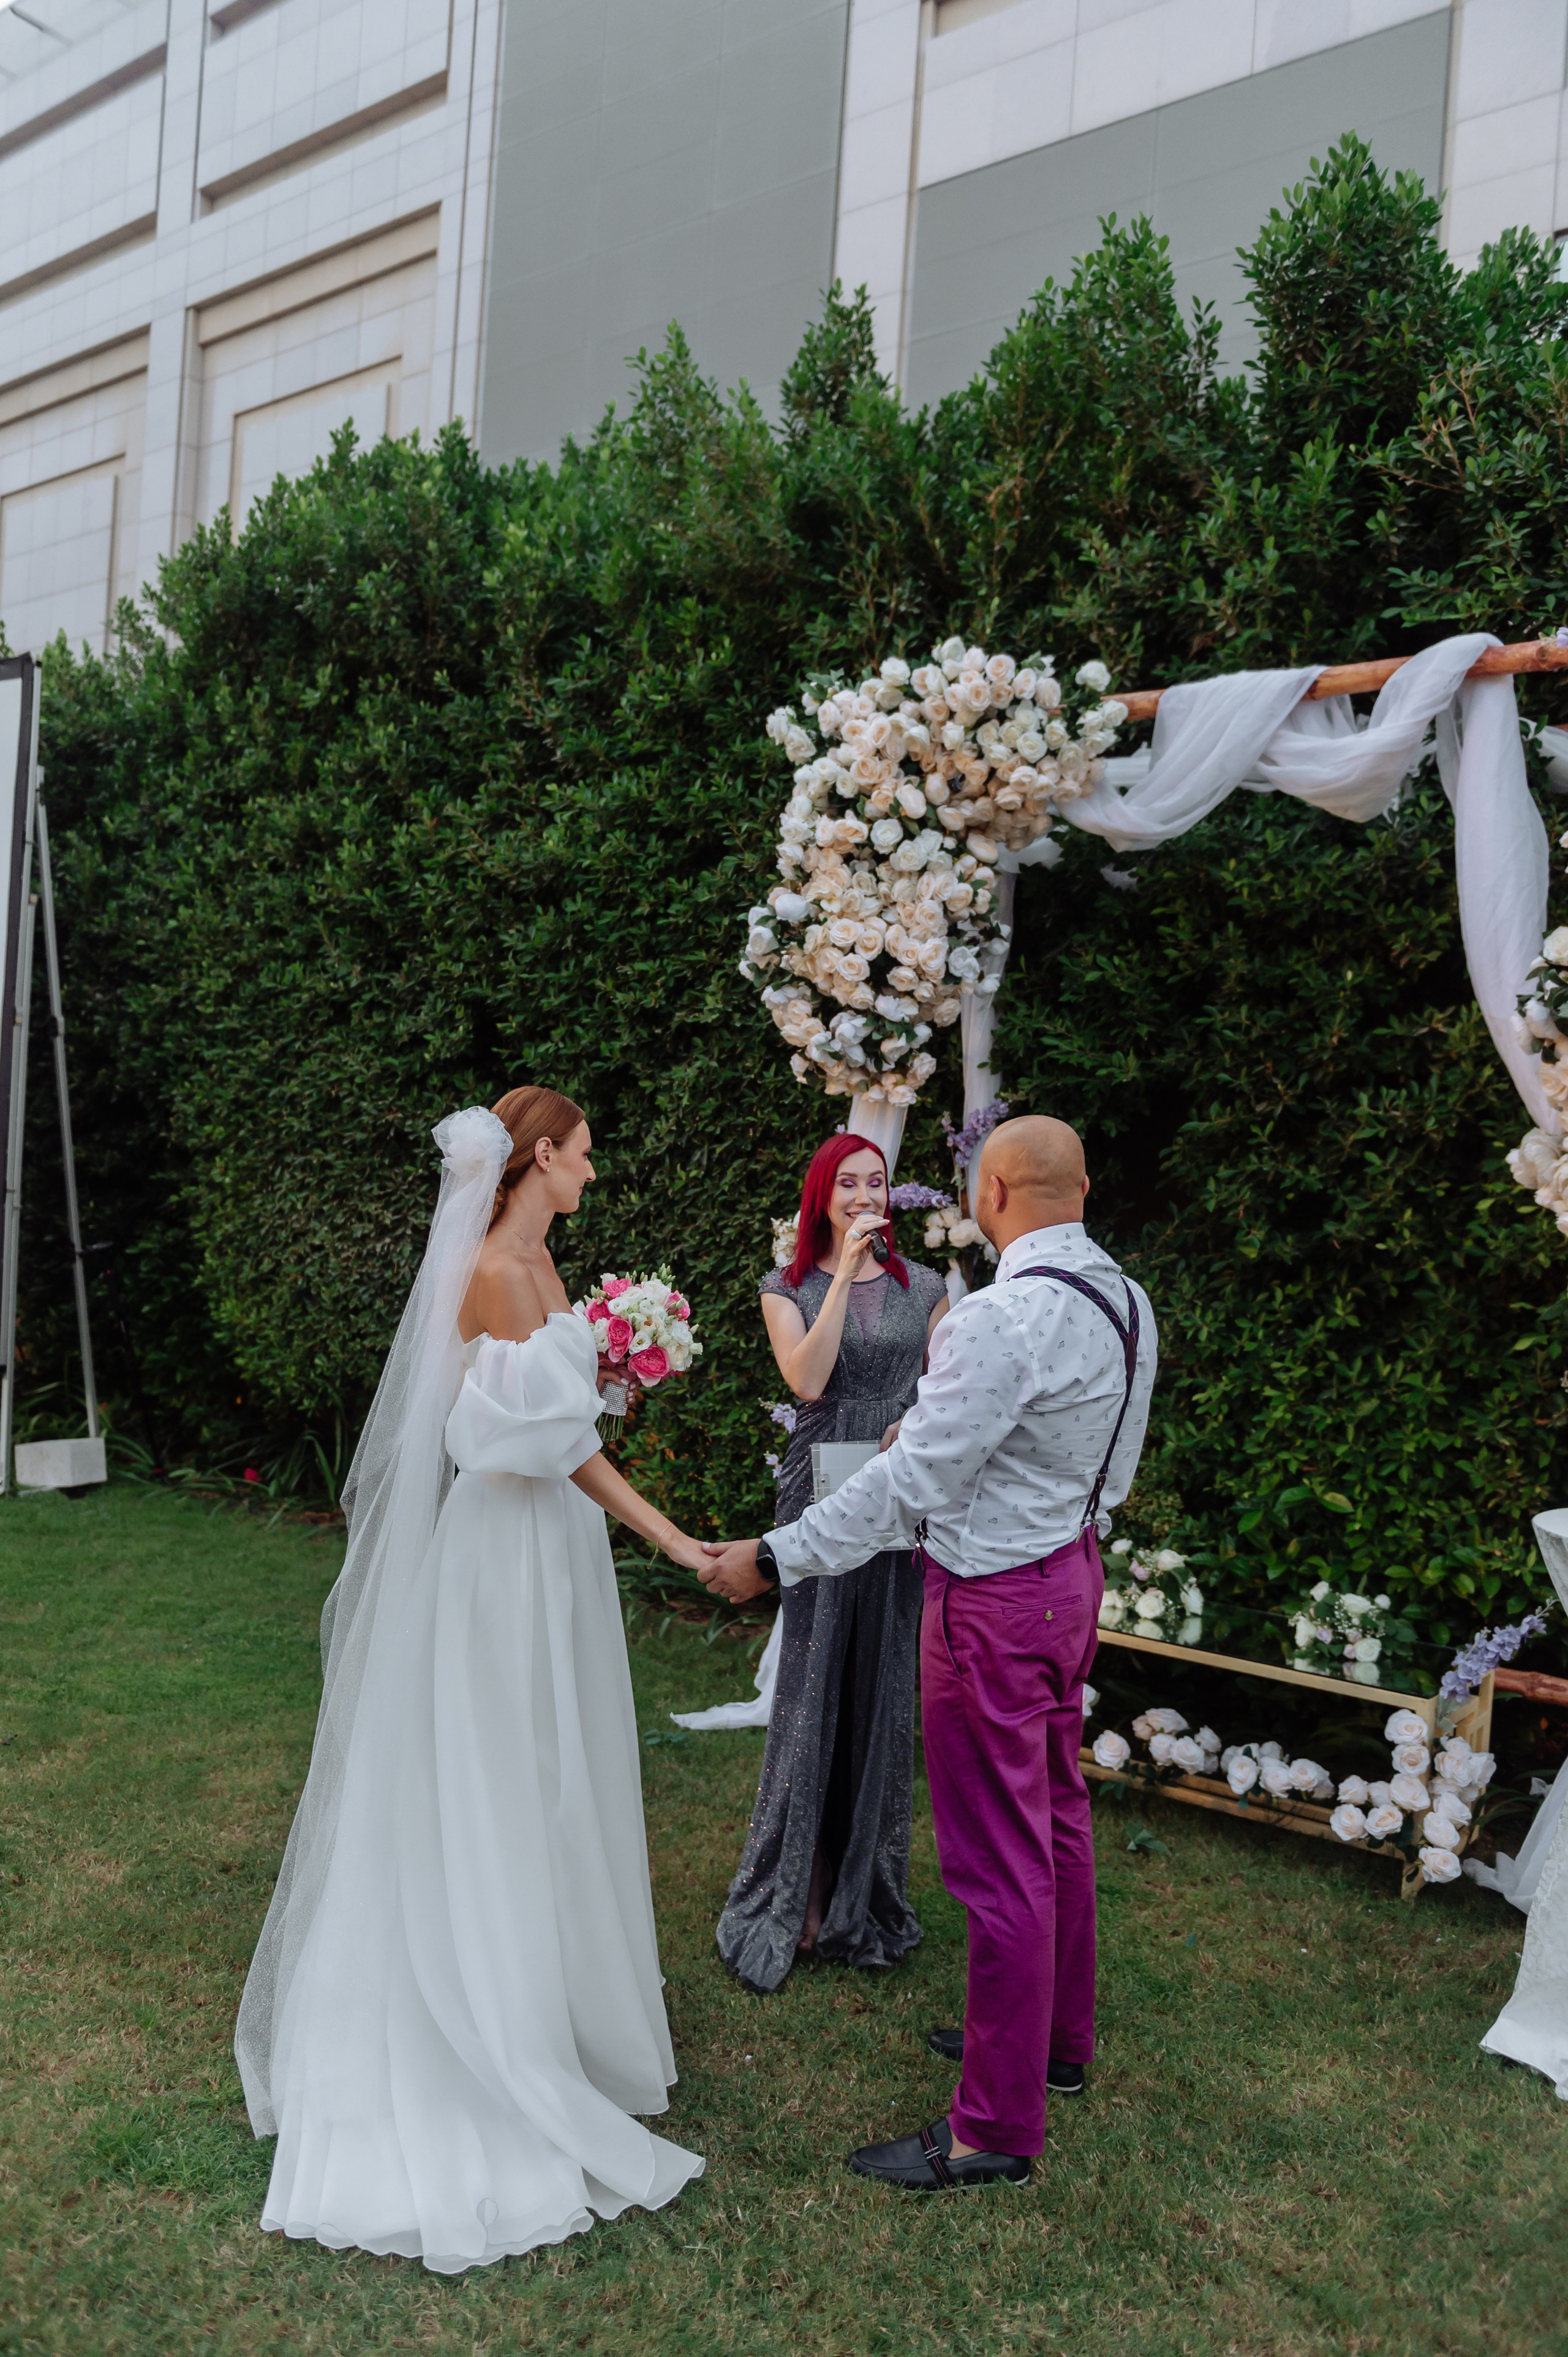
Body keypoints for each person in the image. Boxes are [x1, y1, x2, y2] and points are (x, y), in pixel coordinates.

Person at [235, 1088, 708, 2271]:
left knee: (556, 1772)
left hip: (550, 1549)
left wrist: (623, 1370)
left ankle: (553, 1998)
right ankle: (491, 2018)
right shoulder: (500, 1272)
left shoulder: (546, 1269)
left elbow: (564, 1412)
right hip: (508, 1557)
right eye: (585, 1156)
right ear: (539, 1156)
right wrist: (682, 1544)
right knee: (505, 1781)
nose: (594, 1174)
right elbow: (560, 1447)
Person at [700, 1114, 1156, 2190]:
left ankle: (991, 2127)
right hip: (1071, 1577)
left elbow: (910, 1488)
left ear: (993, 1194)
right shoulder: (1129, 1303)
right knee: (1055, 1820)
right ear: (1082, 1187)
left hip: (994, 1600)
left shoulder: (999, 1317)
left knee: (1000, 1863)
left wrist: (775, 1556)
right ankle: (1053, 2047)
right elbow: (1110, 1461)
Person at [717, 1133, 948, 1992]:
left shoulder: (929, 1288)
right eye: (847, 1182)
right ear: (822, 1194)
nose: (863, 1194)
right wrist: (845, 1276)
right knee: (812, 1691)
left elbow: (949, 1384)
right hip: (816, 1494)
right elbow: (808, 1382)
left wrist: (914, 1419)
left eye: (876, 1181)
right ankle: (797, 1890)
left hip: (893, 1499)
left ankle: (863, 1892)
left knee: (881, 1685)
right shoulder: (788, 1288)